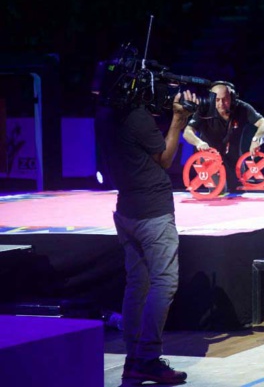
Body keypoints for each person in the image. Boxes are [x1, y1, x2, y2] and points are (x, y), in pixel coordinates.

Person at [96, 91, 197, 384]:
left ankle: (134, 361)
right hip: (152, 213)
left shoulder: (105, 112)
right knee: (164, 283)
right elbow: (164, 158)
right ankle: (147, 358)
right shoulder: (136, 116)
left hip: (126, 209)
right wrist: (178, 119)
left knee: (137, 284)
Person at [182, 81, 264, 193]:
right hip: (210, 159)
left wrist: (256, 139)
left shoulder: (242, 107)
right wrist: (198, 142)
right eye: (217, 100)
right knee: (219, 191)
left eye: (225, 99)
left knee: (239, 192)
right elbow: (187, 132)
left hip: (235, 158)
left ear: (232, 98)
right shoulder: (204, 109)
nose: (221, 104)